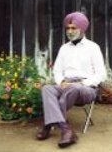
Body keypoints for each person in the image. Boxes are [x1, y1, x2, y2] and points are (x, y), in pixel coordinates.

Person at [36, 11, 107, 148]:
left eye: (73, 28)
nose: (69, 31)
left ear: (82, 29)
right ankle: (66, 130)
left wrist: (83, 83)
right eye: (68, 28)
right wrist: (61, 81)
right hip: (66, 84)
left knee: (74, 88)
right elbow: (57, 70)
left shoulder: (93, 48)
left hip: (86, 88)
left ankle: (48, 123)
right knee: (47, 89)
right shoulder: (64, 48)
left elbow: (101, 74)